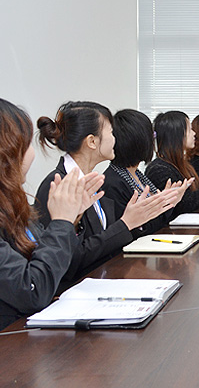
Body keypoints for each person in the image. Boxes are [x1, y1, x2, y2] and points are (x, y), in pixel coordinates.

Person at [34, 102, 179, 289]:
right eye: (111, 133)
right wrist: (126, 224)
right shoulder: (58, 187)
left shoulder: (91, 181)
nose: (115, 140)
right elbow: (69, 261)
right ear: (92, 142)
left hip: (103, 281)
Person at [0, 98, 104, 329]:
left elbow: (45, 261)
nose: (33, 154)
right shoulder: (51, 185)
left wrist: (71, 220)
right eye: (27, 144)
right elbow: (32, 290)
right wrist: (62, 222)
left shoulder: (13, 203)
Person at [102, 109, 191, 237]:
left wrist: (168, 201)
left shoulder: (136, 174)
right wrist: (166, 204)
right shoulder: (113, 183)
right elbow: (138, 230)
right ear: (139, 141)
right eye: (152, 136)